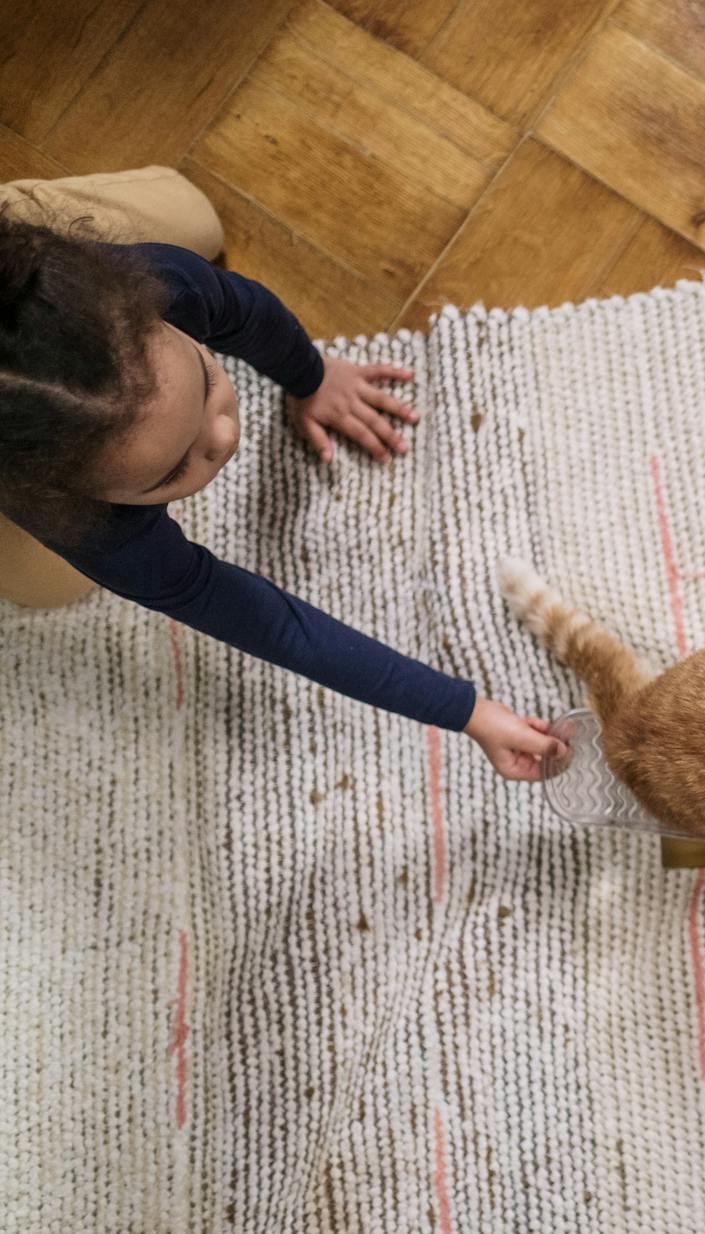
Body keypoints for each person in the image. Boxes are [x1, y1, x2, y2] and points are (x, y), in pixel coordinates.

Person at [0, 166, 561, 779]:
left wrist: (312, 377)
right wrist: (466, 710)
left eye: (208, 378)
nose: (226, 436)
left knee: (195, 220)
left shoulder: (158, 282)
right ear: (60, 495)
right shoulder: (95, 533)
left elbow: (246, 313)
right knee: (44, 588)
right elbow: (264, 622)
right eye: (172, 469)